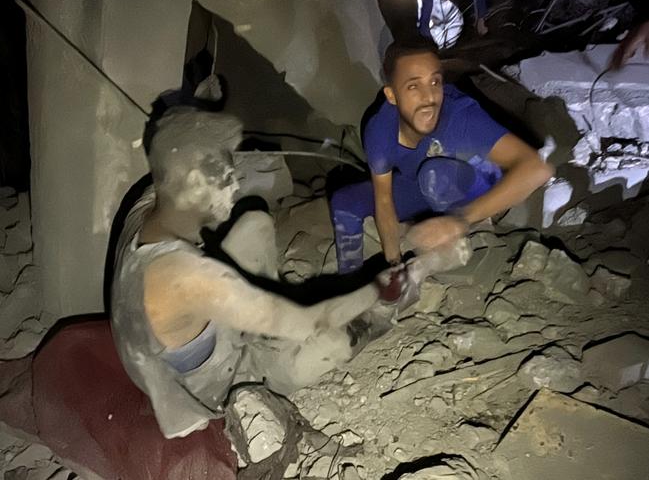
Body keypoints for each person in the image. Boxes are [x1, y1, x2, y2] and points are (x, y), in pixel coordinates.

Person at [110, 107, 381, 439]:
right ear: (194, 183)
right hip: (212, 383)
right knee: (336, 339)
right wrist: (381, 286)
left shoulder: (146, 205)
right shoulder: (188, 278)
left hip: (166, 347)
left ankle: (263, 317)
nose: (235, 187)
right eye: (227, 177)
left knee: (256, 224)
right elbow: (310, 321)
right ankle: (267, 364)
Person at [330, 39, 554, 275]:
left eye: (435, 82)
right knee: (346, 202)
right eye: (414, 86)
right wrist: (393, 265)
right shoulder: (379, 130)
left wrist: (461, 219)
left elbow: (537, 169)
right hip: (422, 185)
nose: (429, 98)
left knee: (434, 176)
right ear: (392, 95)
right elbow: (384, 201)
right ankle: (350, 283)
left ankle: (473, 248)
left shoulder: (461, 117)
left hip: (476, 187)